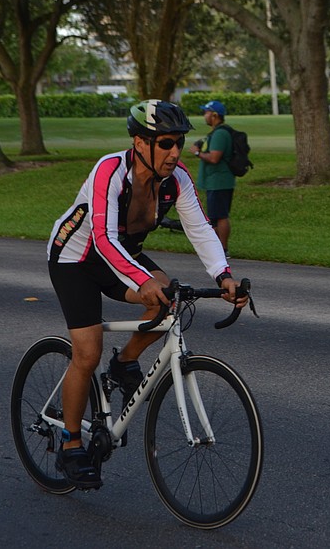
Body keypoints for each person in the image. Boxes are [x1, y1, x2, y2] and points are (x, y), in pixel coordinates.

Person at [46, 99, 247, 489]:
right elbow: (103, 237)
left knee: (168, 300)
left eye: (179, 142)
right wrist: (143, 281)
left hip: (125, 253)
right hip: (76, 258)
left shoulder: (179, 179)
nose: (175, 152)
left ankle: (124, 363)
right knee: (87, 352)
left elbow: (201, 229)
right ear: (140, 143)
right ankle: (71, 444)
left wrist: (224, 275)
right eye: (166, 142)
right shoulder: (110, 170)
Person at [189, 100, 235, 256]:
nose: (205, 116)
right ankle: (217, 249)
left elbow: (214, 158)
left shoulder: (220, 134)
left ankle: (222, 249)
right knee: (215, 216)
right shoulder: (216, 132)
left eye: (206, 112)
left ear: (214, 115)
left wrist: (197, 152)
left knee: (220, 216)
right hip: (214, 182)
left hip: (219, 182)